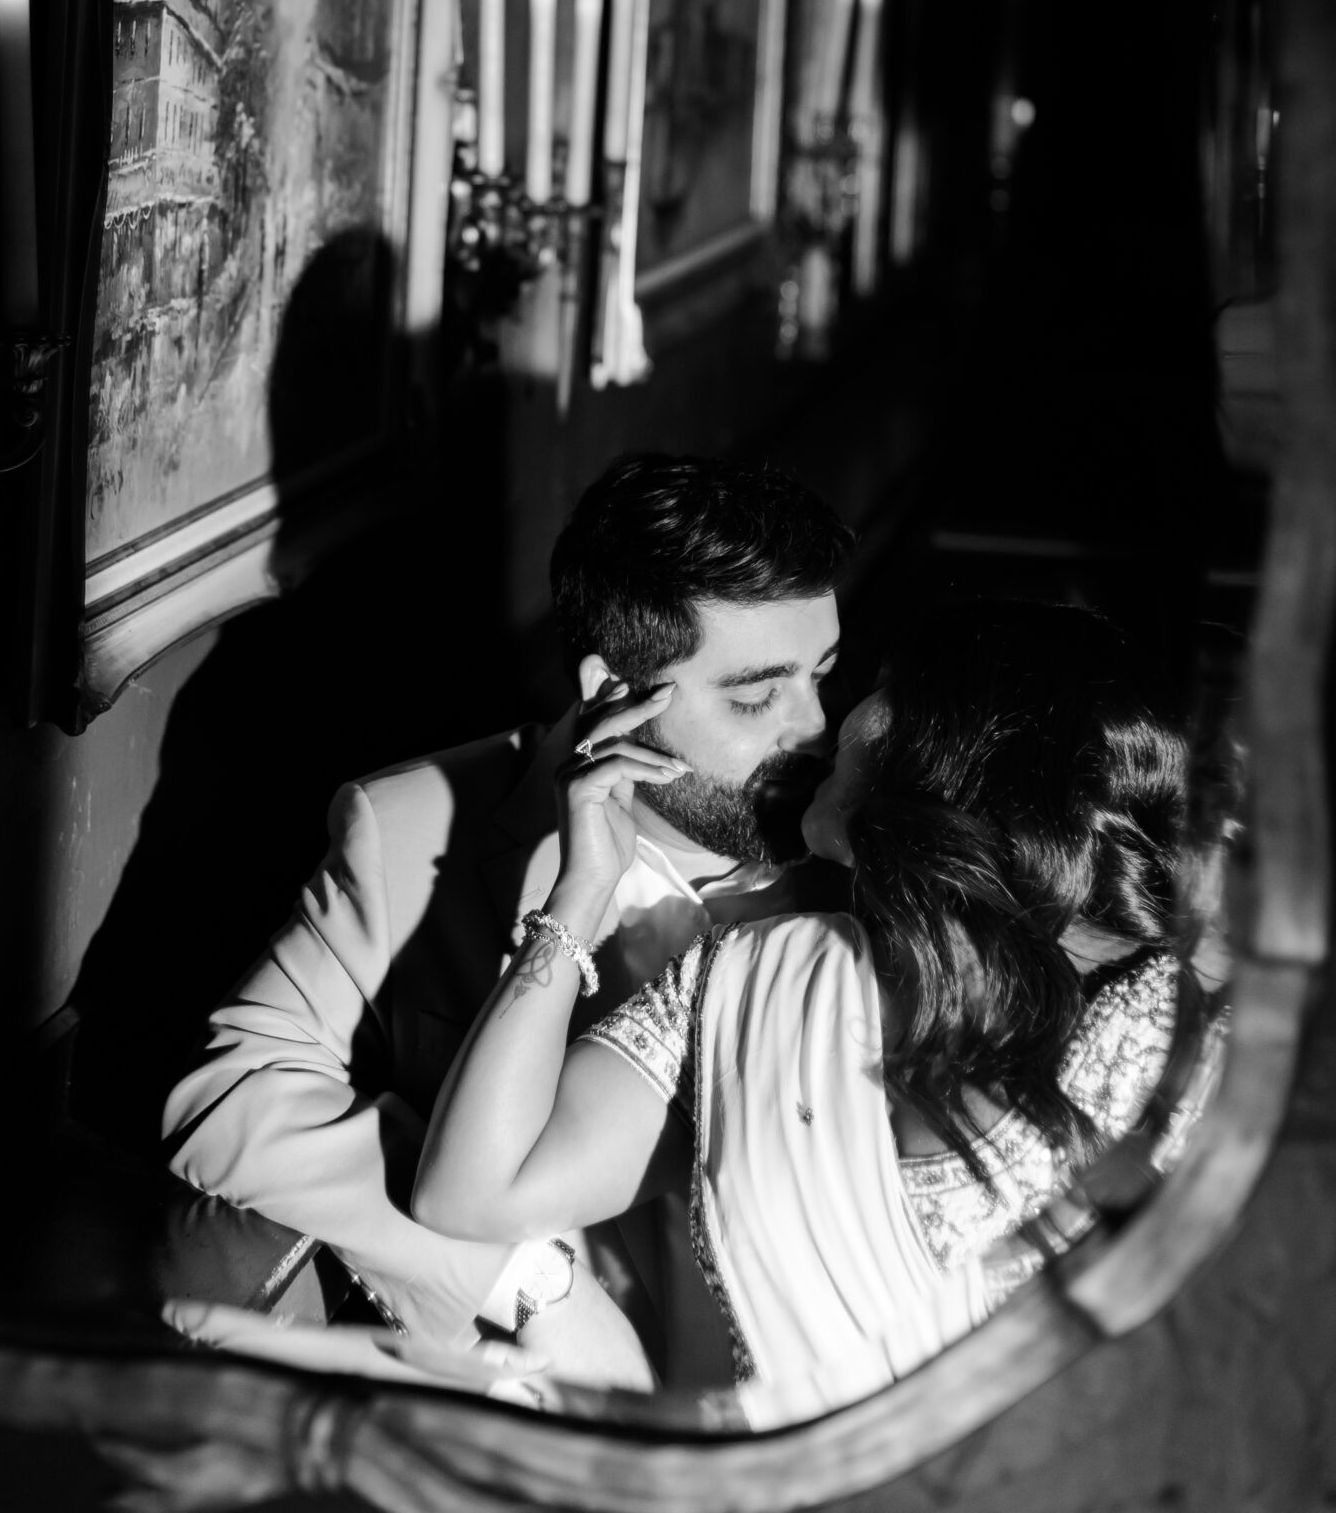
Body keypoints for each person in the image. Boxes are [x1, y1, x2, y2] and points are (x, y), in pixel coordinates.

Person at [412, 600, 1223, 1423]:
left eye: (872, 685)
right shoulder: (747, 978)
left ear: (961, 737)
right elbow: (472, 1195)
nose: (824, 722)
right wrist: (578, 896)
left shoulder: (1193, 1048)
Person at [160, 451, 853, 1379]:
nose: (814, 733)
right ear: (612, 690)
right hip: (529, 1397)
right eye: (757, 694)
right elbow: (229, 1099)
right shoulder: (410, 824)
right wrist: (527, 1282)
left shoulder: (870, 847)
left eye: (824, 675)